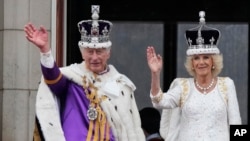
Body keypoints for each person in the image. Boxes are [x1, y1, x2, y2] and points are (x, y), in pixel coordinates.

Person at [24, 5, 145, 141]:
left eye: (99, 51)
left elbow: (129, 129)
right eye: (89, 51)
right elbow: (53, 79)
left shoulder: (121, 84)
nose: (94, 57)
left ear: (108, 53)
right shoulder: (72, 79)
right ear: (82, 53)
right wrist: (45, 51)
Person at [146, 11, 241, 141]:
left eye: (206, 57)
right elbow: (159, 101)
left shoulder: (227, 84)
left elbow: (237, 124)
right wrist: (155, 74)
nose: (201, 62)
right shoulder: (183, 86)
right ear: (192, 63)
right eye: (196, 58)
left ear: (213, 61)